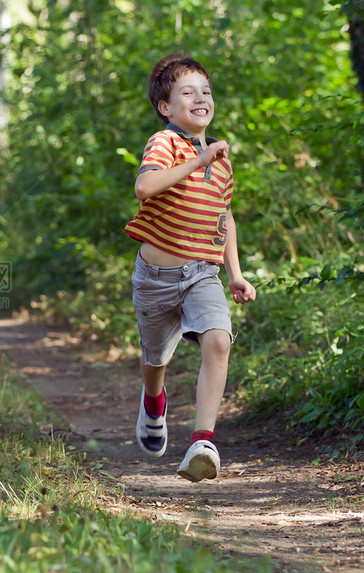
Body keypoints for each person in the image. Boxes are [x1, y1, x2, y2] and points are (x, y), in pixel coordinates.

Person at [124, 53, 257, 482]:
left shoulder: (221, 161)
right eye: (188, 91)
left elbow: (226, 215)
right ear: (166, 107)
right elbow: (145, 187)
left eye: (207, 91)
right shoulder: (164, 143)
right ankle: (154, 400)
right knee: (155, 357)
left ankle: (203, 442)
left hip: (203, 272)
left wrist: (235, 272)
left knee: (219, 341)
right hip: (156, 278)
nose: (201, 97)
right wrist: (200, 160)